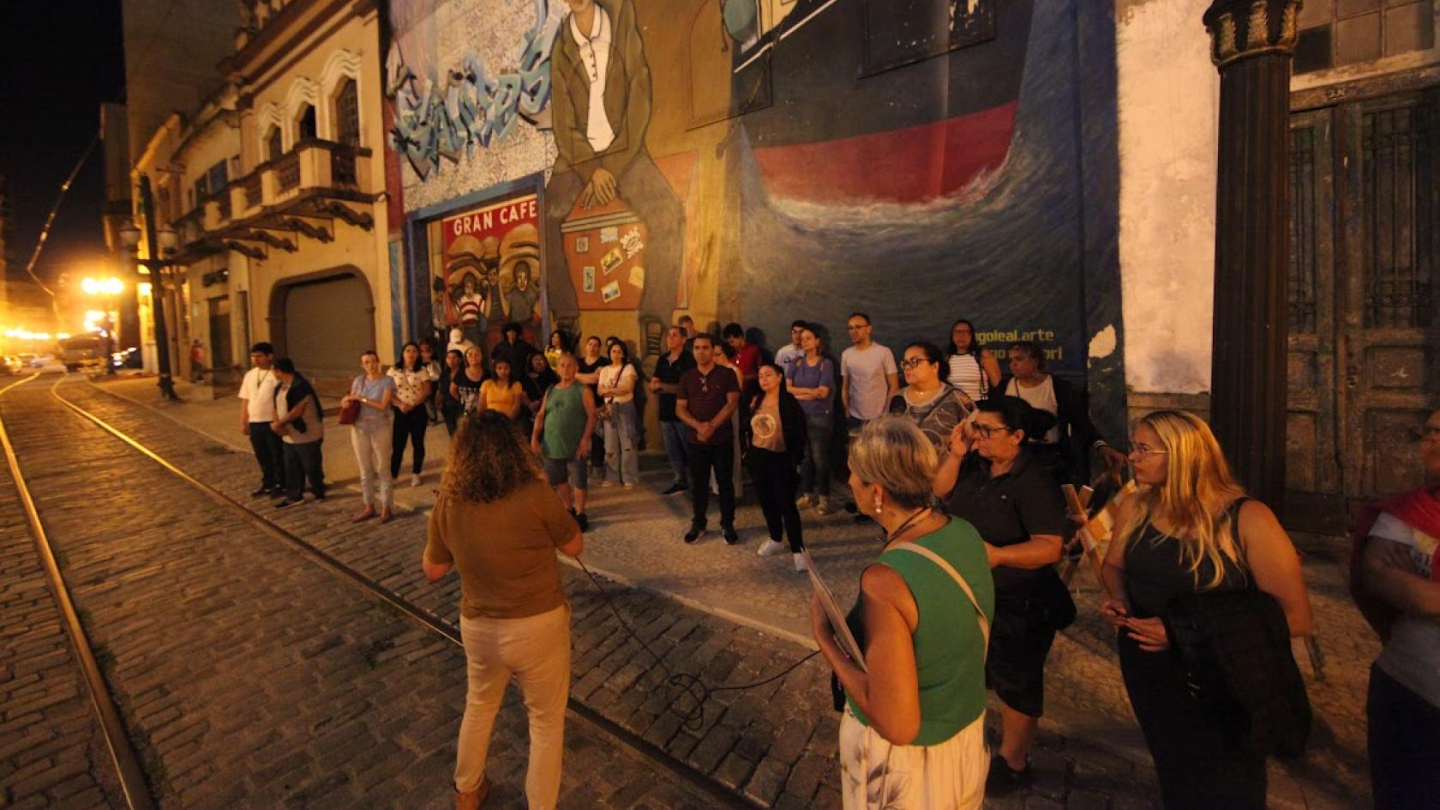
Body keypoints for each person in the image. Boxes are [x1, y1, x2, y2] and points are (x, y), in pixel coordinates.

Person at [1099, 410, 1313, 808]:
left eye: (1145, 449)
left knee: (1228, 781)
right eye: (1133, 447)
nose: (1132, 457)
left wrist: (1182, 631)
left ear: (1183, 455)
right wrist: (1119, 599)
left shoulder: (1248, 518)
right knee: (1175, 769)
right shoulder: (1136, 506)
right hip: (1150, 669)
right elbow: (1114, 566)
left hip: (1222, 675)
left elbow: (1294, 617)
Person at [813, 417, 994, 808]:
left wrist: (826, 641)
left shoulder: (885, 581)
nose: (848, 481)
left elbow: (898, 724)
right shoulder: (963, 532)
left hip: (909, 768)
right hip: (964, 737)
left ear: (876, 491)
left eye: (853, 475)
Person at [423, 410, 584, 810]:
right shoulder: (534, 492)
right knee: (545, 722)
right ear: (513, 450)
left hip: (480, 626)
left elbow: (434, 570)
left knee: (479, 706)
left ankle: (466, 791)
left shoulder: (448, 500)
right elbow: (574, 546)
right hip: (538, 623)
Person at [933, 397, 1068, 795]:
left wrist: (999, 556)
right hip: (970, 594)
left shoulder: (1034, 480)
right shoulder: (974, 466)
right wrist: (956, 454)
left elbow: (1049, 547)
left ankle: (1014, 760)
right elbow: (940, 491)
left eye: (987, 431)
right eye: (976, 428)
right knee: (977, 670)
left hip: (1019, 600)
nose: (979, 437)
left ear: (1018, 436)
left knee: (1017, 681)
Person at [1356, 407, 1440, 809]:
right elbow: (1375, 578)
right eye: (1429, 431)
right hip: (1409, 686)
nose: (1433, 440)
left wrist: (1420, 592)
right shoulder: (1407, 511)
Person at [999, 340, 1126, 486]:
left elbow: (1080, 422)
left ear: (1035, 361)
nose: (1013, 365)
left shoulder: (1058, 388)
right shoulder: (1005, 388)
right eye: (1010, 360)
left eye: (1019, 359)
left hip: (1049, 457)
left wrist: (1101, 446)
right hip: (1014, 455)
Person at [677, 334, 741, 544]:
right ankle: (699, 522)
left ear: (713, 350)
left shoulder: (727, 374)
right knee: (699, 484)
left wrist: (712, 426)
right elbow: (680, 408)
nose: (701, 352)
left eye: (705, 347)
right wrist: (699, 427)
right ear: (693, 351)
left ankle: (727, 523)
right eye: (697, 348)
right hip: (696, 440)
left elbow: (731, 403)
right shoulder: (687, 377)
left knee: (725, 483)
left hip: (721, 438)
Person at [744, 363, 807, 571]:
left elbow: (799, 433)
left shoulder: (789, 402)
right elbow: (747, 426)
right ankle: (775, 538)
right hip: (758, 457)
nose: (764, 379)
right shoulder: (756, 400)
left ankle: (798, 550)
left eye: (768, 375)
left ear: (779, 377)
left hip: (781, 458)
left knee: (786, 504)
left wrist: (795, 460)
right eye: (761, 376)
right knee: (766, 501)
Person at [531, 353, 597, 531]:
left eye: (569, 365)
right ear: (557, 368)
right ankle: (568, 509)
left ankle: (581, 512)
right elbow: (541, 415)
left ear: (576, 368)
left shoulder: (582, 390)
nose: (566, 369)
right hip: (552, 443)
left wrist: (585, 440)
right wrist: (534, 438)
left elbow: (592, 416)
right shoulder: (551, 390)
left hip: (575, 443)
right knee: (559, 479)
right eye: (562, 365)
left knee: (579, 479)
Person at [342, 350, 398, 524]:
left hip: (380, 426)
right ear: (362, 365)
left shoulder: (387, 381)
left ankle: (386, 506)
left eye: (373, 361)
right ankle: (368, 505)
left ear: (378, 362)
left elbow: (383, 405)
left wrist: (362, 399)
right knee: (365, 469)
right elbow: (351, 399)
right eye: (366, 362)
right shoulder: (359, 380)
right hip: (359, 427)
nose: (370, 365)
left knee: (383, 468)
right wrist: (345, 401)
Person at [787, 325, 837, 514]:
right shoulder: (796, 363)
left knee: (819, 458)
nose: (804, 341)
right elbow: (787, 388)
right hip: (800, 416)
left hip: (819, 417)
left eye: (808, 337)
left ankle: (824, 497)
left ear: (817, 341)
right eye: (802, 338)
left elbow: (823, 392)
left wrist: (802, 394)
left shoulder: (826, 364)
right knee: (805, 457)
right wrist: (809, 392)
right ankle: (808, 494)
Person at [892, 342, 974, 452]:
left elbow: (975, 436)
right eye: (905, 363)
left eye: (914, 362)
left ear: (935, 366)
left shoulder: (957, 398)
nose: (907, 367)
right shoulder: (898, 398)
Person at [270, 358, 326, 508]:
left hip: (307, 433)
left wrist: (279, 424)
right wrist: (277, 423)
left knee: (311, 465)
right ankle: (294, 495)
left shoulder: (301, 386)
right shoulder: (279, 387)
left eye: (274, 370)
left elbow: (297, 411)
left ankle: (318, 490)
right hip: (289, 435)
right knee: (291, 465)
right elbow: (275, 406)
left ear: (280, 371)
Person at [648, 325, 695, 495]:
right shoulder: (662, 359)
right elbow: (655, 380)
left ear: (683, 339)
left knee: (689, 448)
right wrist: (654, 385)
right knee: (672, 449)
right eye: (668, 335)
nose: (670, 338)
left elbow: (687, 388)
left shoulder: (689, 360)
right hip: (666, 411)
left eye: (675, 335)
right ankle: (679, 480)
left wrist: (662, 386)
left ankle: (697, 481)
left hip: (684, 412)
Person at [239, 342, 284, 498]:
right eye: (253, 356)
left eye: (259, 356)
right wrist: (244, 421)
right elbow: (245, 399)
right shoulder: (250, 375)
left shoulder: (276, 374)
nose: (255, 360)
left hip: (270, 421)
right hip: (255, 421)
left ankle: (280, 483)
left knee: (276, 454)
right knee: (262, 454)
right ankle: (267, 482)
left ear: (269, 356)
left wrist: (279, 420)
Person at [389, 341, 434, 488]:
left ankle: (416, 473)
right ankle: (393, 474)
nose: (411, 354)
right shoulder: (393, 371)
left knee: (418, 443)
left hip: (418, 411)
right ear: (402, 353)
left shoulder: (422, 370)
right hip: (400, 410)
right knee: (398, 444)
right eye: (408, 351)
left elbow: (427, 391)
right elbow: (387, 391)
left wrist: (413, 404)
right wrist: (400, 404)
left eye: (414, 351)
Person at [597, 339, 640, 488]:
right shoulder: (604, 370)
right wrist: (612, 390)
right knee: (610, 445)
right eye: (613, 351)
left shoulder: (628, 368)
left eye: (619, 351)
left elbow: (628, 387)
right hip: (610, 408)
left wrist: (609, 390)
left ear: (623, 354)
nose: (616, 354)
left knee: (628, 443)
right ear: (609, 353)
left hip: (625, 407)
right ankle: (611, 476)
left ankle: (630, 477)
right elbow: (600, 390)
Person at [574, 335, 611, 476]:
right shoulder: (578, 361)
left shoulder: (604, 362)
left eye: (596, 345)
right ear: (586, 346)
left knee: (597, 436)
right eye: (590, 344)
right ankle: (580, 465)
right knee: (580, 436)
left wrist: (577, 375)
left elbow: (596, 379)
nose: (593, 347)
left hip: (598, 404)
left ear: (599, 348)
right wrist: (588, 377)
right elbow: (571, 377)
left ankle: (597, 465)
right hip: (579, 404)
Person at [714, 342, 746, 499]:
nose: (714, 357)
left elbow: (735, 396)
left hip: (729, 413)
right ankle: (716, 489)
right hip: (713, 414)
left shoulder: (734, 371)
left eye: (717, 354)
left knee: (731, 449)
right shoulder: (713, 371)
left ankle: (734, 490)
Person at [946, 319, 1001, 401]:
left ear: (971, 335)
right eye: (957, 332)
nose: (961, 335)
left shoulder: (982, 355)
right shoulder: (948, 359)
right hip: (954, 409)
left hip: (979, 408)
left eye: (965, 332)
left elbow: (998, 385)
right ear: (952, 336)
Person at [722, 322, 761, 399]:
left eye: (732, 341)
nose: (730, 344)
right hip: (731, 391)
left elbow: (760, 373)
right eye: (729, 342)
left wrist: (742, 377)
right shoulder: (729, 352)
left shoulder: (753, 350)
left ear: (740, 336)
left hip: (749, 391)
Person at [451, 346, 487, 415]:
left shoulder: (487, 374)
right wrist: (463, 401)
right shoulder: (461, 373)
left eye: (477, 354)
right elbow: (452, 390)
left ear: (482, 356)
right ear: (466, 358)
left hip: (482, 411)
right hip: (464, 410)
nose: (474, 357)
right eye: (470, 355)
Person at [437, 349, 466, 436]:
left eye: (454, 358)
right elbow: (441, 390)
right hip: (447, 406)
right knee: (452, 431)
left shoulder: (465, 373)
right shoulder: (444, 374)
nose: (451, 360)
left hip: (461, 404)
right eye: (449, 358)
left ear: (460, 360)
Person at [420, 338, 443, 425]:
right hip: (423, 382)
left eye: (426, 349)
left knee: (431, 399)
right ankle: (429, 417)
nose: (424, 352)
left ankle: (433, 417)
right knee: (425, 400)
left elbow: (438, 373)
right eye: (422, 349)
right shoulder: (419, 361)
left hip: (433, 382)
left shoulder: (435, 361)